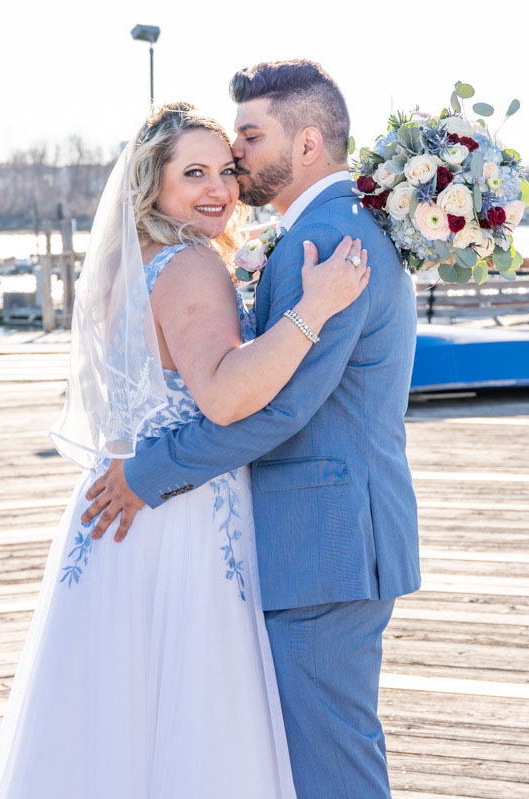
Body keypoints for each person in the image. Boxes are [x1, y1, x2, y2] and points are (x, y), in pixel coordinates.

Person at [0, 102, 370, 798]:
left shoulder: (125, 269)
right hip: (182, 516)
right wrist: (315, 308)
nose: (218, 187)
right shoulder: (192, 264)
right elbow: (221, 396)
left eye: (225, 169)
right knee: (188, 716)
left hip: (115, 513)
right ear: (150, 182)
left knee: (112, 718)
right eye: (193, 173)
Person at [81, 60, 420, 799]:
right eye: (208, 160)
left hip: (325, 542)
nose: (236, 159)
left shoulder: (329, 238)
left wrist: (149, 470)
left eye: (249, 137)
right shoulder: (326, 227)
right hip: (312, 536)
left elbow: (279, 407)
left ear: (304, 145)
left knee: (331, 765)